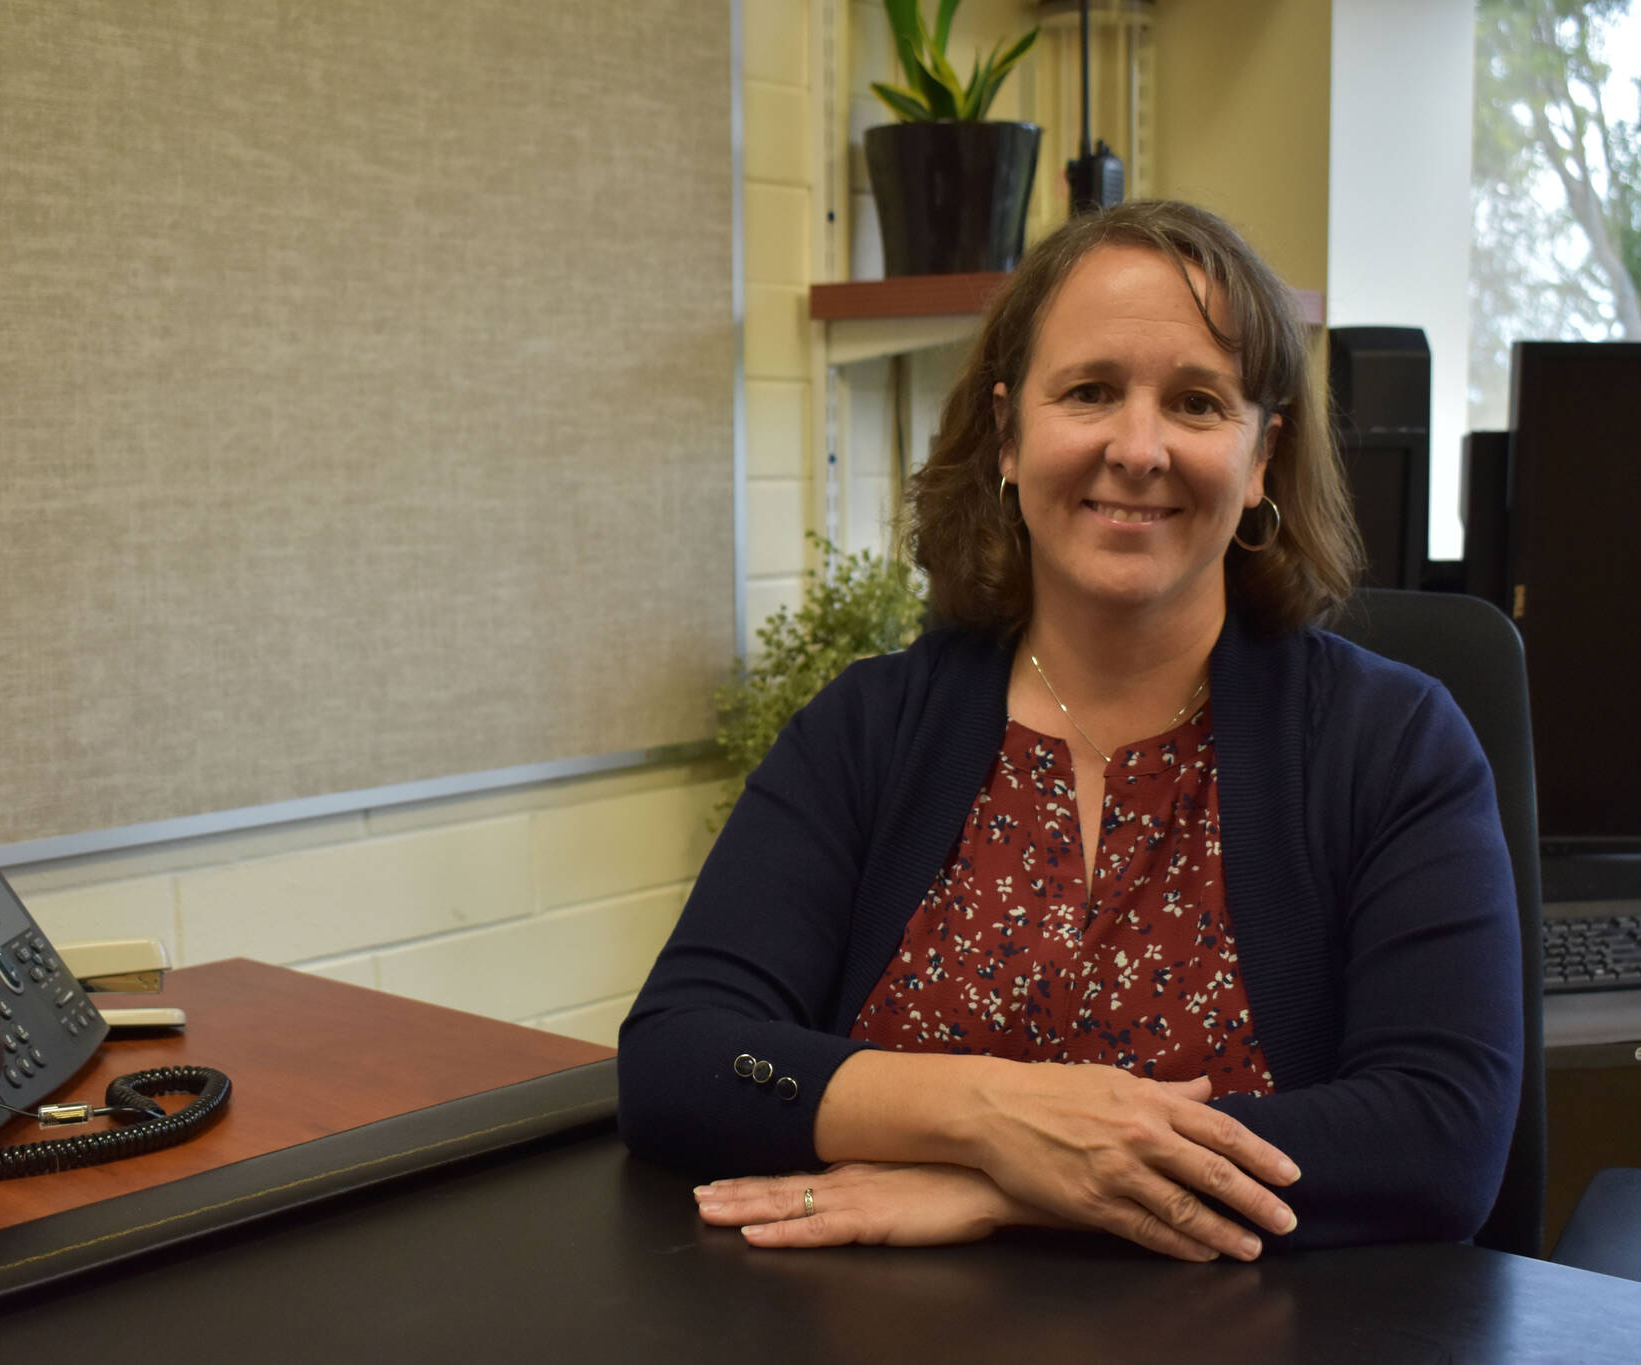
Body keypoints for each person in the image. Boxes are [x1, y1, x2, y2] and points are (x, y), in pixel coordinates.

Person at [618, 200, 1521, 1261]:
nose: (1136, 449)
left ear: (1261, 456)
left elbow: (1437, 1141)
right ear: (1006, 434)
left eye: (1194, 403)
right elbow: (679, 1058)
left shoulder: (1390, 743)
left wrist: (1013, 1191)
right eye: (1089, 392)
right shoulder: (868, 731)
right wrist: (995, 1119)